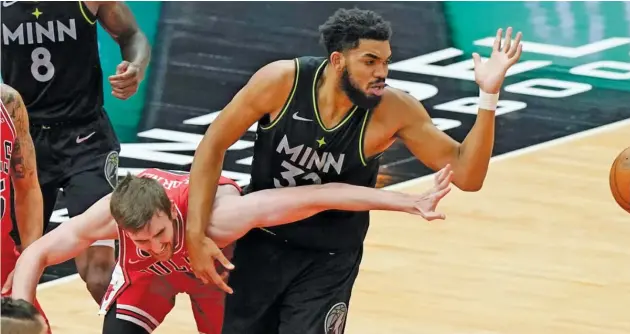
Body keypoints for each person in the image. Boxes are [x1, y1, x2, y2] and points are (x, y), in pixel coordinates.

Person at [186, 7, 523, 333]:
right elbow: (212, 146)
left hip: (329, 256)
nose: (382, 72)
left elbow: (468, 175)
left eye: (386, 61)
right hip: (261, 242)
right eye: (370, 61)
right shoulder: (281, 82)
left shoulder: (394, 110)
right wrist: (195, 235)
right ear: (337, 61)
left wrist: (488, 95)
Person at [11, 165, 454, 334]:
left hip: (217, 278)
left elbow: (317, 195)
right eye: (140, 240)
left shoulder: (222, 215)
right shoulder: (112, 213)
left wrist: (407, 201)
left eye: (159, 234)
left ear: (173, 212)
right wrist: (22, 312)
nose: (154, 245)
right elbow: (36, 255)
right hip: (149, 282)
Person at [0, 1, 151, 304]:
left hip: (86, 139)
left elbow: (131, 34)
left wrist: (135, 66)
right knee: (10, 273)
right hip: (23, 139)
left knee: (100, 273)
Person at [0, 85, 50, 333]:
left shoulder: (8, 102)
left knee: (35, 327)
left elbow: (28, 185)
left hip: (3, 261)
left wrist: (29, 261)